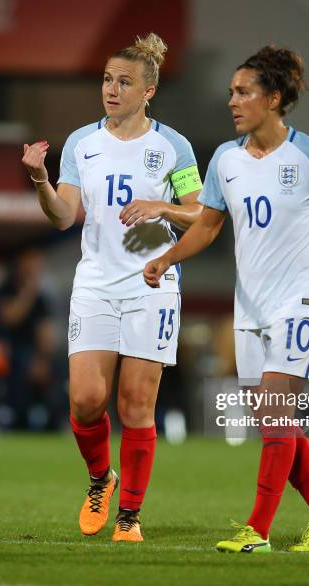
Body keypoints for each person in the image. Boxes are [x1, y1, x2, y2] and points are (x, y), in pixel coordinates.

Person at [144, 45, 309, 553]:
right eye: (230, 93)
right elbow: (207, 228)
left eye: (243, 92)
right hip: (251, 309)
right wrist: (167, 258)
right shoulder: (225, 159)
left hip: (301, 300)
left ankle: (256, 530)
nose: (233, 101)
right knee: (273, 421)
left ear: (273, 98)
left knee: (273, 409)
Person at [22, 33, 202, 542]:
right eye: (107, 79)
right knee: (84, 400)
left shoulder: (173, 146)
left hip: (152, 283)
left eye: (125, 82)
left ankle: (128, 517)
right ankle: (101, 480)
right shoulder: (82, 142)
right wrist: (40, 181)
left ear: (149, 91)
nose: (112, 89)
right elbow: (63, 216)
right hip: (96, 283)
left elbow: (201, 215)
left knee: (136, 404)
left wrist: (163, 207)